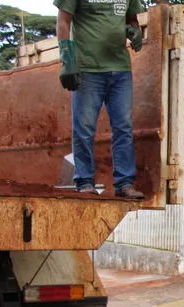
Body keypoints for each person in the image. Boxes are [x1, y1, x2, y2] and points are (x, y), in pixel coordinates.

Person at [55, 0, 146, 199]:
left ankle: (124, 183)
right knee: (84, 128)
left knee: (123, 127)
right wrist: (67, 59)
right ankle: (85, 181)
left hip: (120, 69)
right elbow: (63, 21)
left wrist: (135, 32)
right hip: (88, 69)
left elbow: (132, 20)